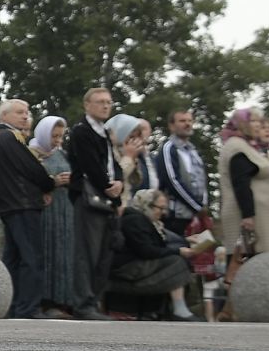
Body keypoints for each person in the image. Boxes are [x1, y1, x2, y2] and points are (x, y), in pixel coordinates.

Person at [0, 98, 58, 320]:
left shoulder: (0, 138)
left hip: (10, 204)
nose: (25, 116)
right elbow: (32, 169)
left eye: (27, 112)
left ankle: (13, 307)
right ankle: (28, 307)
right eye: (19, 112)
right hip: (22, 204)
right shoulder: (10, 137)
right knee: (31, 257)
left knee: (13, 258)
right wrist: (50, 183)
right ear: (4, 116)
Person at [64, 86, 120, 322]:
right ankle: (83, 304)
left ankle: (94, 301)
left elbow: (112, 163)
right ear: (87, 105)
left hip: (107, 199)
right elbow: (90, 166)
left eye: (108, 102)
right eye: (100, 102)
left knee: (104, 253)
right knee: (86, 253)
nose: (105, 105)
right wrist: (110, 186)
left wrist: (120, 183)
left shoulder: (105, 133)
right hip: (90, 198)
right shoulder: (81, 132)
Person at [217, 107, 269, 295]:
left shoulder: (246, 146)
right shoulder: (237, 147)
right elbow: (241, 183)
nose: (258, 126)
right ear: (242, 124)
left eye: (259, 122)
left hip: (257, 216)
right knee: (249, 264)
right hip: (248, 217)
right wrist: (248, 215)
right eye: (253, 121)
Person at [112, 190, 203, 320]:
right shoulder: (135, 220)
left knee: (176, 258)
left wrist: (186, 240)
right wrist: (178, 252)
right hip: (128, 268)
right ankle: (179, 309)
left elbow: (161, 242)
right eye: (160, 208)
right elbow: (147, 250)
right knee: (176, 262)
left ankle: (173, 308)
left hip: (135, 263)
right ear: (147, 205)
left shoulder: (145, 221)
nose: (163, 212)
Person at [34, 117, 83, 317]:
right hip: (46, 211)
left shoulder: (64, 154)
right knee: (47, 251)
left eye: (60, 136)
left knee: (64, 252)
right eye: (53, 135)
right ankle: (46, 300)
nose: (57, 140)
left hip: (65, 209)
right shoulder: (34, 154)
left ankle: (65, 300)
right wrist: (52, 182)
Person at [157, 109, 208, 240]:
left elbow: (201, 181)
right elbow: (172, 181)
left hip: (192, 215)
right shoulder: (169, 148)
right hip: (175, 214)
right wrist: (197, 206)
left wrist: (203, 205)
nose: (187, 124)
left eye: (190, 121)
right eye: (182, 121)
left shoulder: (193, 151)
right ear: (171, 126)